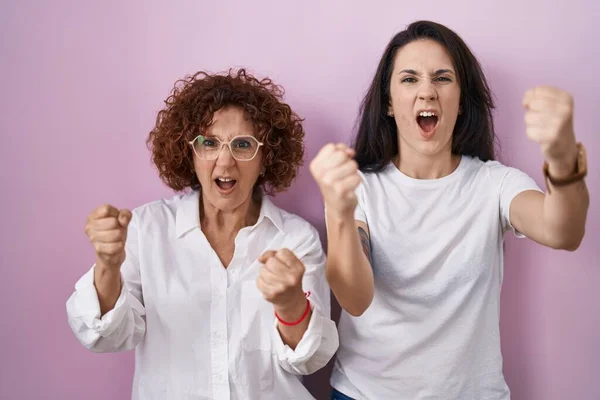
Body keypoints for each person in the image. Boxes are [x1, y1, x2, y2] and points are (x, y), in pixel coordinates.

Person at [310, 20, 589, 400]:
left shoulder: (495, 184)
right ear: (389, 103)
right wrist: (340, 214)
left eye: (442, 78)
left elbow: (563, 231)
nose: (427, 91)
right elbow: (355, 299)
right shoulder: (357, 188)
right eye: (409, 79)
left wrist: (562, 160)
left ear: (461, 100)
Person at [66, 68, 339, 400]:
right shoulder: (146, 229)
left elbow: (310, 360)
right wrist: (108, 266)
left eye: (242, 144)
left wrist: (291, 302)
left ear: (265, 157)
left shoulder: (296, 239)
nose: (225, 162)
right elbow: (106, 336)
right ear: (190, 153)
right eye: (209, 143)